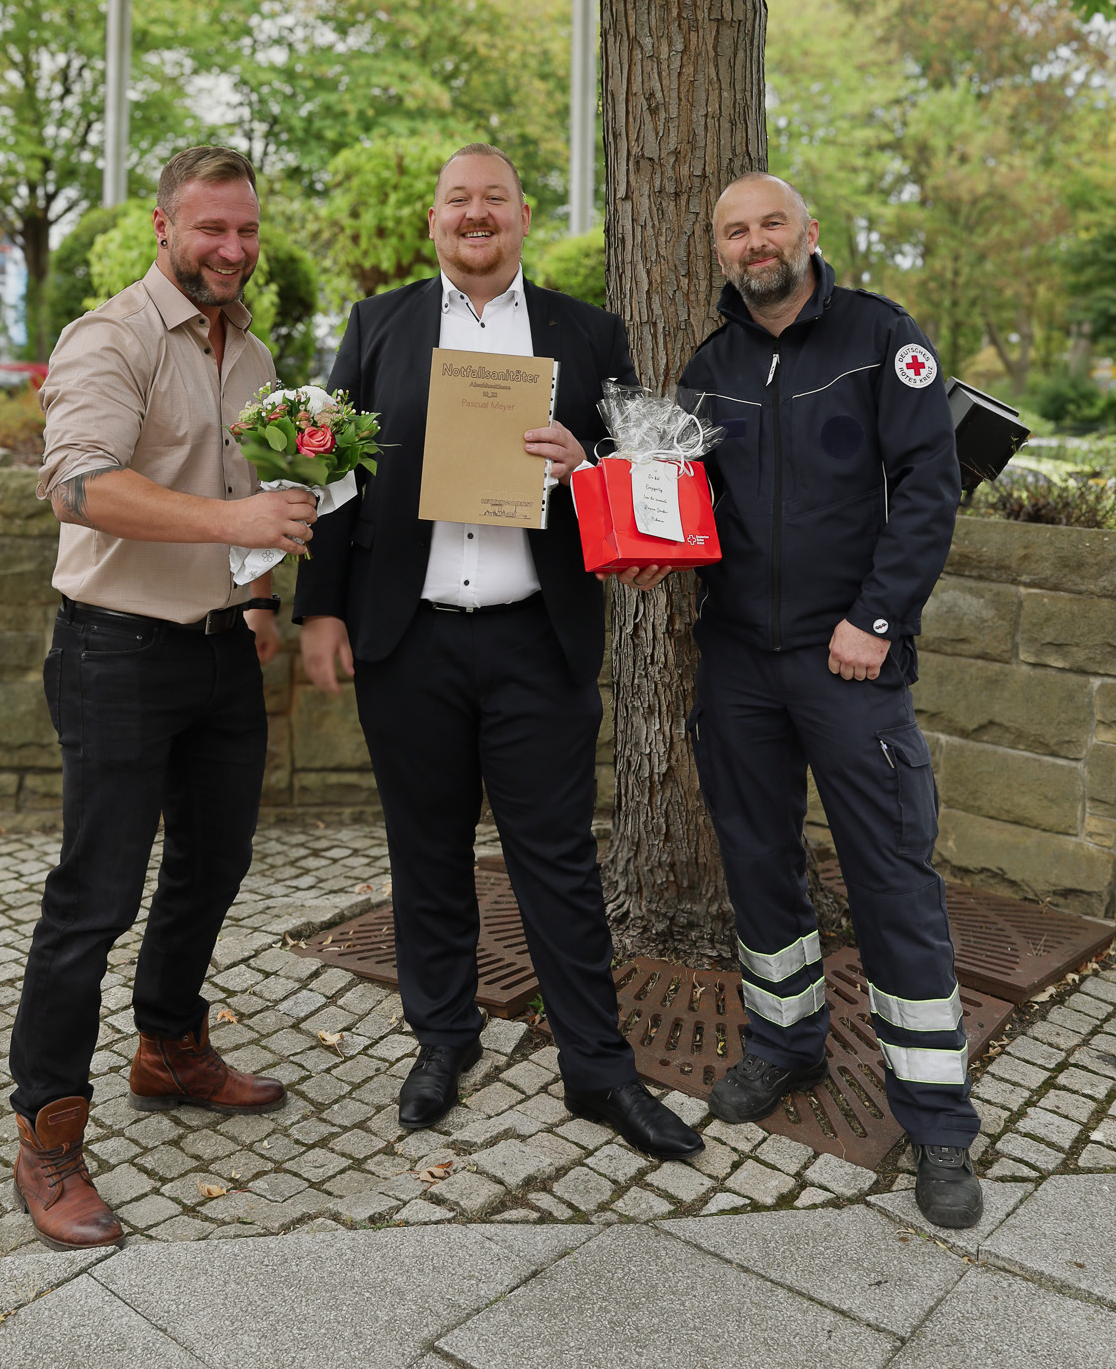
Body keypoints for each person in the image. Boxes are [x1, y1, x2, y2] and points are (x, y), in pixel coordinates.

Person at [295, 143, 703, 1161]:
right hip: (410, 636)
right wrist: (320, 610)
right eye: (456, 201)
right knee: (426, 853)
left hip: (537, 635)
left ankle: (599, 1069)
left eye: (494, 200)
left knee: (557, 861)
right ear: (432, 222)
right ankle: (442, 1038)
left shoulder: (588, 330)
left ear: (524, 216)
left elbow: (640, 467)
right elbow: (333, 474)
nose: (475, 215)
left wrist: (591, 463)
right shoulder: (376, 325)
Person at [8, 145, 318, 1250]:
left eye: (246, 231)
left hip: (221, 649)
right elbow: (79, 482)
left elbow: (256, 492)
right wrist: (237, 526)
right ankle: (47, 1136)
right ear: (163, 227)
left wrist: (262, 590)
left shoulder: (255, 351)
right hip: (117, 654)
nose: (231, 249)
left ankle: (170, 1046)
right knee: (95, 897)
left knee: (215, 862)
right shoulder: (113, 335)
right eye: (209, 230)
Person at [669, 171, 981, 1228]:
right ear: (720, 251)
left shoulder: (882, 339)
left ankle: (937, 1119)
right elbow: (678, 504)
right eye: (734, 230)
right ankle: (787, 1046)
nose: (755, 242)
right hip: (741, 665)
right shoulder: (704, 369)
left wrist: (878, 618)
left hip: (850, 661)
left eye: (770, 222)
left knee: (892, 877)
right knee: (760, 865)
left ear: (808, 232)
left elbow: (929, 488)